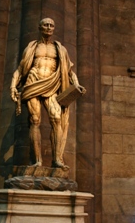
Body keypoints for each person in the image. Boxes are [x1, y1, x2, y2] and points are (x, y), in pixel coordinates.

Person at [10, 18, 85, 168]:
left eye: (51, 25)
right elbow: (20, 69)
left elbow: (69, 71)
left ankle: (57, 159)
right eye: (46, 25)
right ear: (39, 27)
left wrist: (76, 84)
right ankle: (37, 161)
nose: (49, 27)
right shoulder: (32, 47)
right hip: (33, 81)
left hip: (52, 83)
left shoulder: (60, 49)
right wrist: (13, 86)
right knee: (35, 120)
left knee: (56, 118)